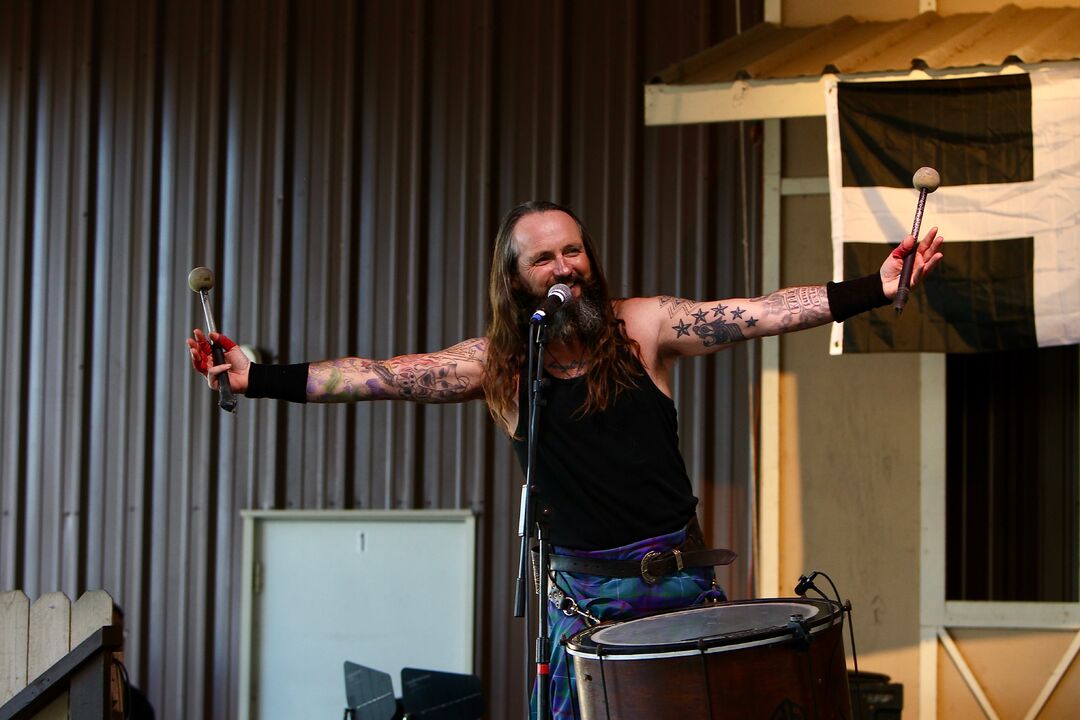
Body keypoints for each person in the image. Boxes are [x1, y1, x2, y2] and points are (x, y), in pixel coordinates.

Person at [188, 200, 943, 719]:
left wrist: (870, 290)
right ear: (517, 279)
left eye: (573, 249)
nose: (563, 265)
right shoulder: (500, 366)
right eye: (543, 257)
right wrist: (256, 377)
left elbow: (760, 312)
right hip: (585, 606)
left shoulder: (645, 327)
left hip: (679, 585)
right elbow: (380, 375)